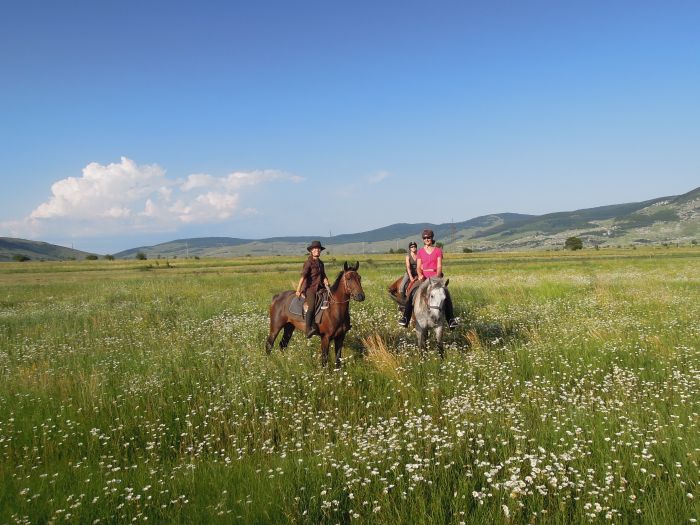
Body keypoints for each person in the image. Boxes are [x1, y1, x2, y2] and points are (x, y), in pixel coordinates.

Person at [398, 229, 459, 329]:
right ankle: (405, 318)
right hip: (423, 278)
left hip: (435, 277)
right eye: (425, 238)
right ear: (423, 239)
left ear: (432, 238)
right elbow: (418, 267)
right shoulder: (420, 252)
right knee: (412, 292)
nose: (427, 239)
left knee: (446, 294)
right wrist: (420, 275)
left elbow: (439, 266)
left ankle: (451, 319)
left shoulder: (438, 251)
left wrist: (437, 276)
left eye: (429, 237)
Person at [296, 240, 331, 338]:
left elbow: (323, 275)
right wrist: (298, 290)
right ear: (311, 251)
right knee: (311, 306)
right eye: (315, 249)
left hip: (320, 287)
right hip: (310, 289)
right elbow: (303, 276)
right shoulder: (308, 263)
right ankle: (308, 330)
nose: (317, 250)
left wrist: (326, 280)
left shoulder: (321, 263)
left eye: (319, 249)